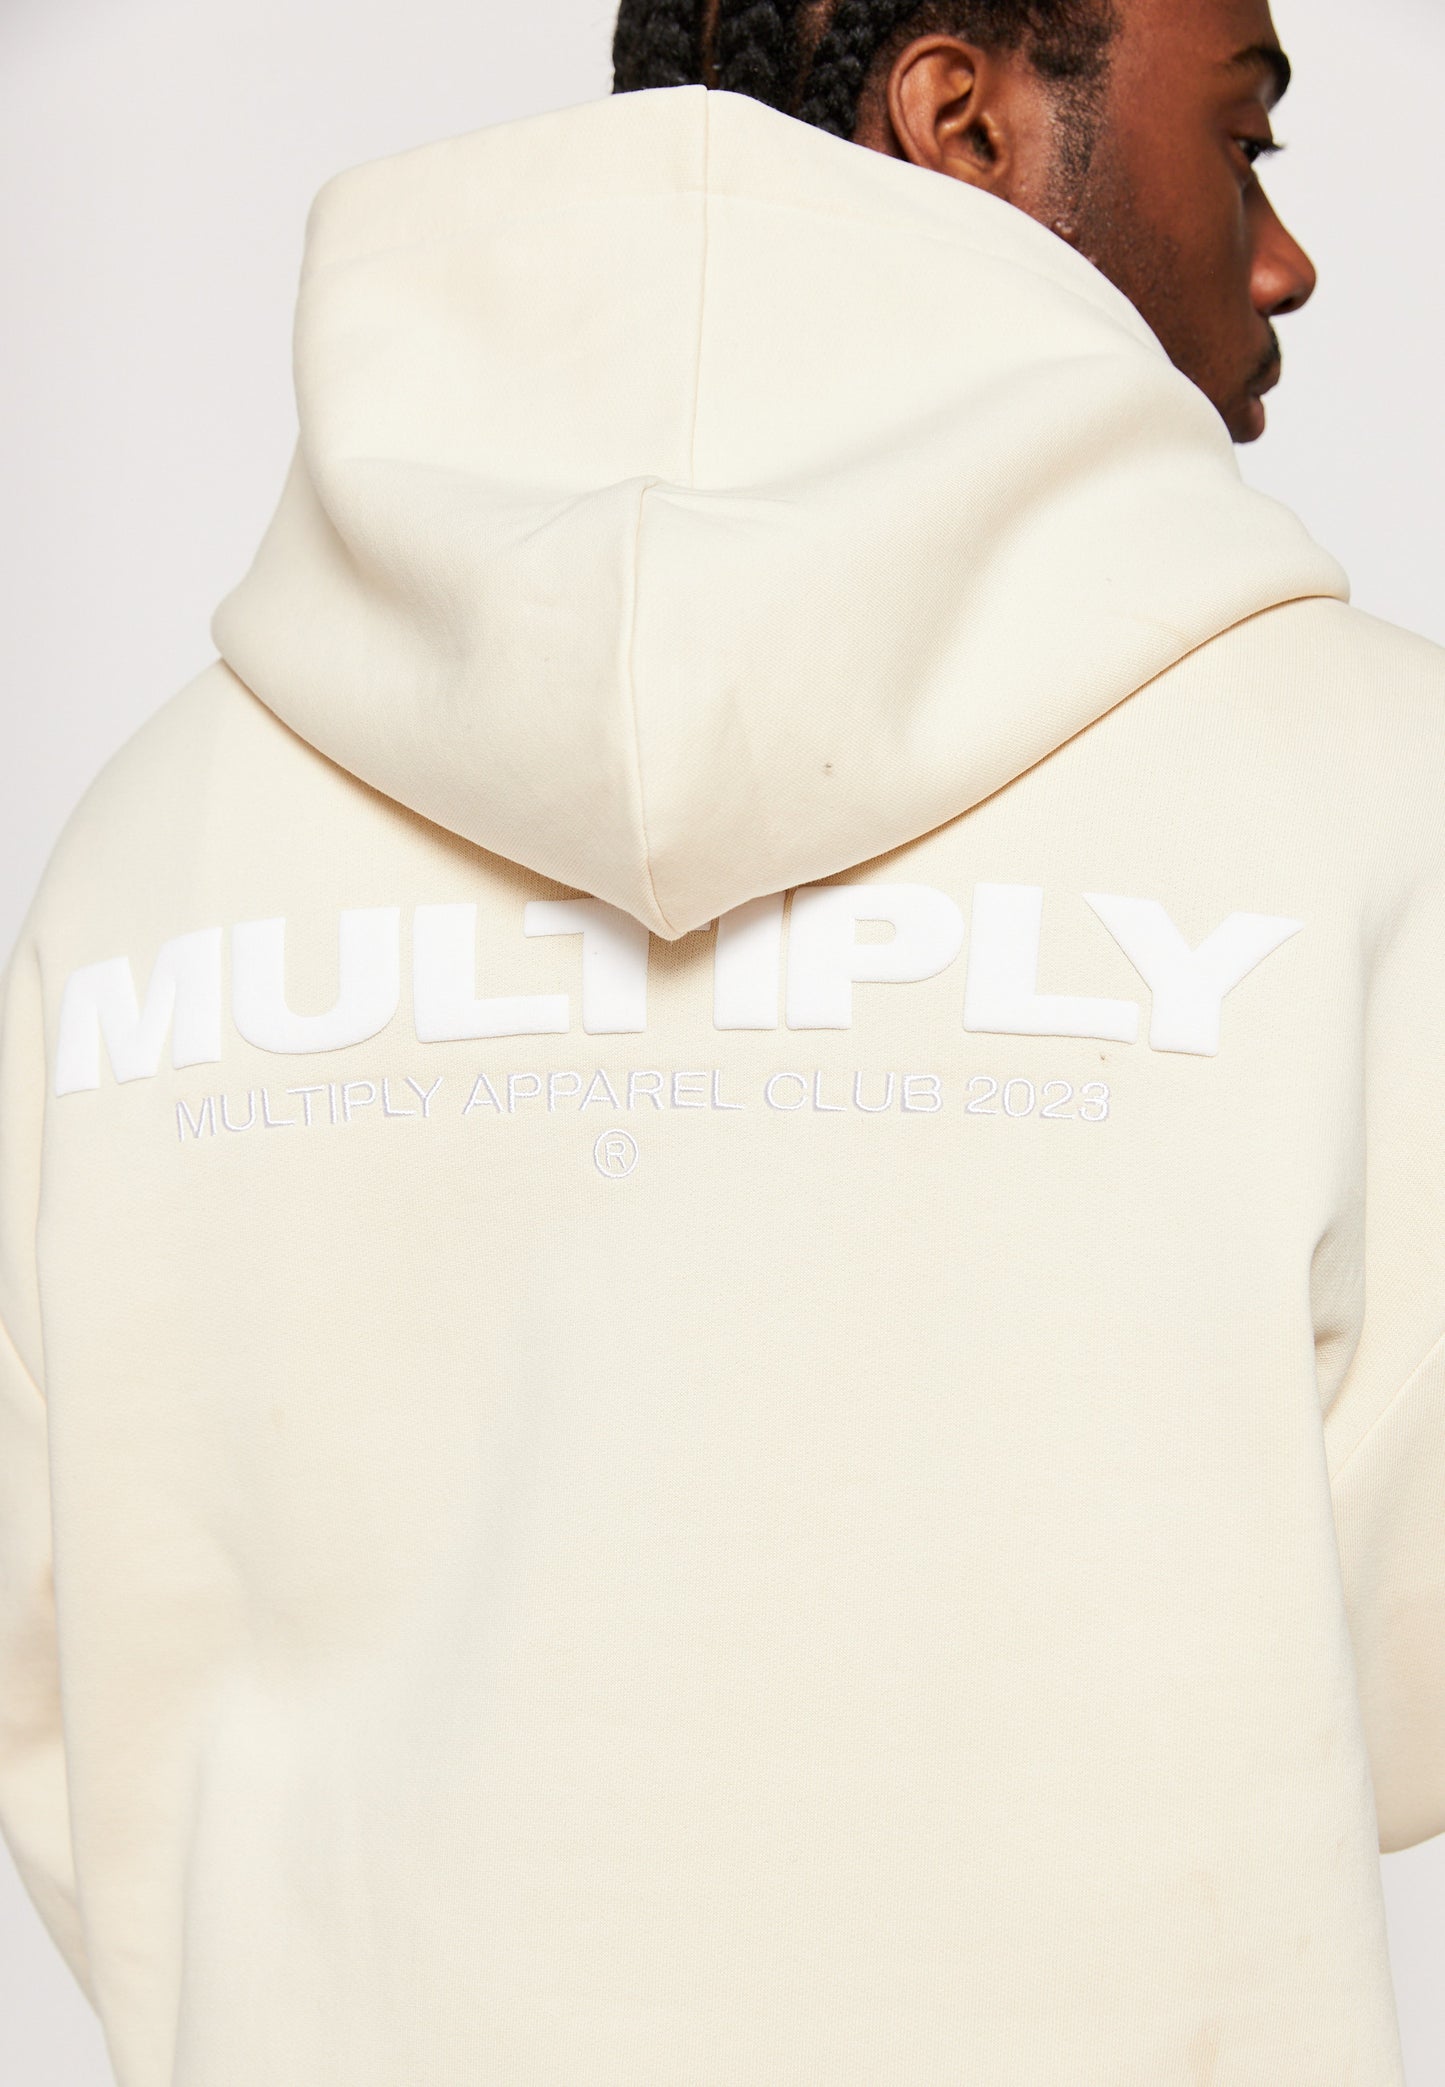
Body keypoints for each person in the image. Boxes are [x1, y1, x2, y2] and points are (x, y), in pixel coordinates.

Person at [0, 0, 1439, 2079]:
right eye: (1246, 144)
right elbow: (1387, 1673)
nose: (1282, 258)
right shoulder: (1372, 779)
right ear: (962, 117)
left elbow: (71, 1665)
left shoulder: (161, 835)